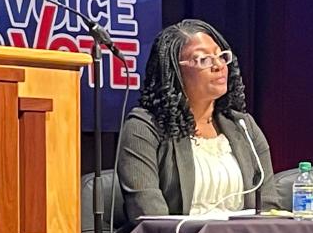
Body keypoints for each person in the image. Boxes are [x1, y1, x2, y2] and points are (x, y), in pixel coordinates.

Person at [118, 19, 278, 220]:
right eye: (203, 60)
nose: (218, 65)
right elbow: (148, 215)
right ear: (174, 71)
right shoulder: (144, 128)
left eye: (221, 56)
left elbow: (268, 207)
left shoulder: (243, 126)